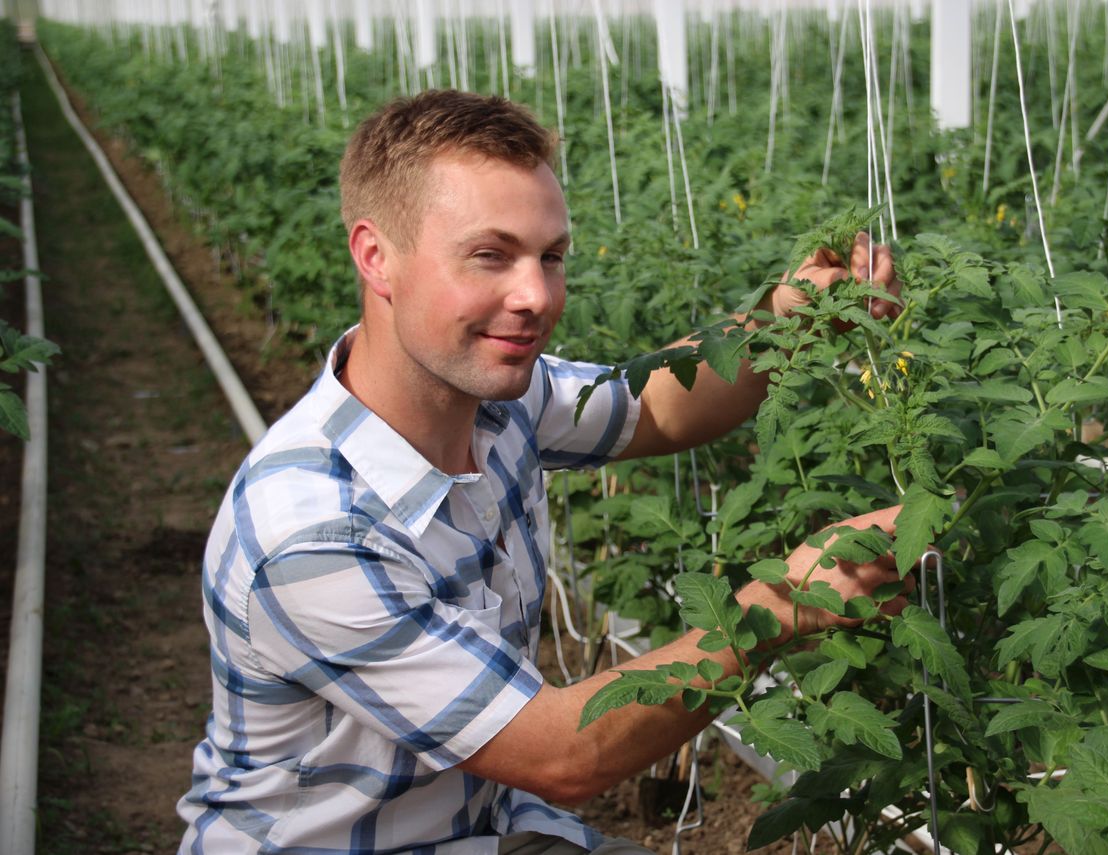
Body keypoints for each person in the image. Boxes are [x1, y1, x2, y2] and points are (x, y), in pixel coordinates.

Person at [177, 89, 906, 855]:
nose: (535, 296)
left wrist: (793, 311)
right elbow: (565, 752)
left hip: (489, 829)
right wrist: (784, 603)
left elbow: (658, 404)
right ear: (374, 255)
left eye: (550, 256)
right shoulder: (313, 528)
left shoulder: (499, 398)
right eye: (490, 255)